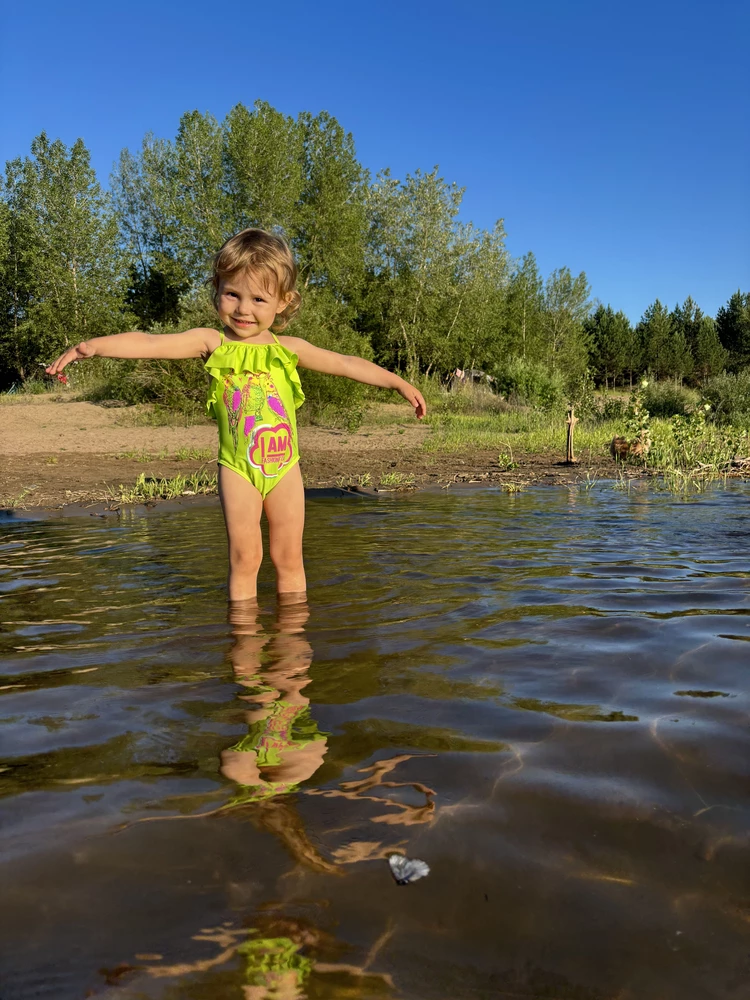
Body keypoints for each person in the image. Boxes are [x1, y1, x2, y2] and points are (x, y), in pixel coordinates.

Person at [46, 228, 426, 600]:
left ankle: (291, 644)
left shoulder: (288, 348)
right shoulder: (211, 343)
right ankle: (244, 650)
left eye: (259, 299)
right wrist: (91, 347)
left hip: (285, 468)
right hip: (238, 469)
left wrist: (396, 382)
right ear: (217, 292)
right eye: (232, 294)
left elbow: (344, 363)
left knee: (289, 557)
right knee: (246, 558)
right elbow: (150, 342)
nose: (244, 309)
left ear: (283, 302)